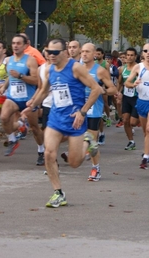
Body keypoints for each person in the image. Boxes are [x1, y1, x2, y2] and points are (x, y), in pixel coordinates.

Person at [21, 38, 103, 207]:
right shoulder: (50, 69)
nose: (51, 55)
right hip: (56, 118)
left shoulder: (75, 68)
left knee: (74, 163)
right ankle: (58, 193)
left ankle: (87, 141)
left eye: (55, 52)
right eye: (49, 52)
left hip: (75, 120)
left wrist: (83, 111)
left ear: (64, 52)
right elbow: (44, 90)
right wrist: (33, 105)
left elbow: (96, 89)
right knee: (49, 153)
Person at [0, 34, 45, 166]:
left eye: (19, 43)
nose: (15, 45)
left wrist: (21, 76)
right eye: (13, 43)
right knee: (3, 117)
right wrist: (4, 85)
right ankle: (12, 140)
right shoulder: (8, 60)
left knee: (35, 127)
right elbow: (10, 76)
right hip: (13, 97)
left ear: (25, 46)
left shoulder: (30, 60)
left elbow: (36, 80)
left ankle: (41, 150)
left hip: (28, 99)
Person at [81, 43, 117, 181]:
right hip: (79, 107)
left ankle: (95, 168)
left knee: (91, 140)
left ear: (94, 53)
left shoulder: (100, 71)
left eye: (88, 52)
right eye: (82, 51)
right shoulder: (77, 69)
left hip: (94, 109)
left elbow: (113, 89)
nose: (84, 54)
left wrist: (104, 91)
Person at [117, 47, 139, 150]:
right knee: (125, 120)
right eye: (128, 55)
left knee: (133, 122)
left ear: (135, 57)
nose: (129, 57)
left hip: (137, 97)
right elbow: (120, 82)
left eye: (131, 55)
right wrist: (117, 93)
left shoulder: (139, 68)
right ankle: (131, 141)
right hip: (126, 97)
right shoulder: (122, 68)